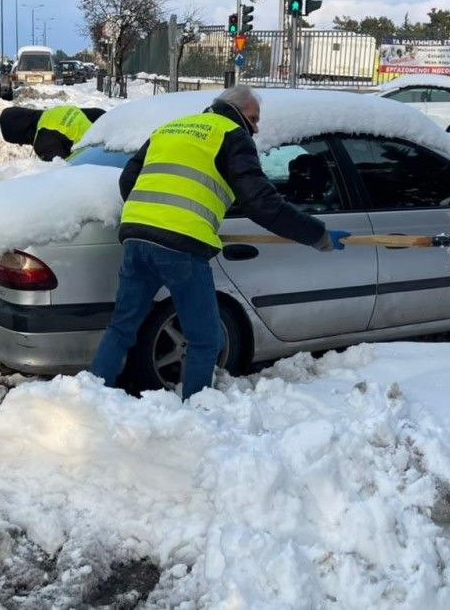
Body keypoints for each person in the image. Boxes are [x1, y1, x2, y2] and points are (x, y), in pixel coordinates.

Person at [89, 86, 350, 400]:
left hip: (136, 237)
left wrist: (154, 215)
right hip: (182, 245)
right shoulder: (232, 136)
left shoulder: (170, 128)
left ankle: (92, 398)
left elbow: (128, 180)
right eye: (253, 118)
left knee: (122, 326)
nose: (256, 127)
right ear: (237, 111)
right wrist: (316, 234)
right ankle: (197, 413)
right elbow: (261, 203)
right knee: (204, 339)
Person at [0, 104, 107, 161]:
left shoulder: (43, 143)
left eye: (18, 141)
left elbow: (61, 173)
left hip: (105, 156)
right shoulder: (54, 112)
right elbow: (97, 113)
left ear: (20, 134)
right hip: (112, 132)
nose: (20, 144)